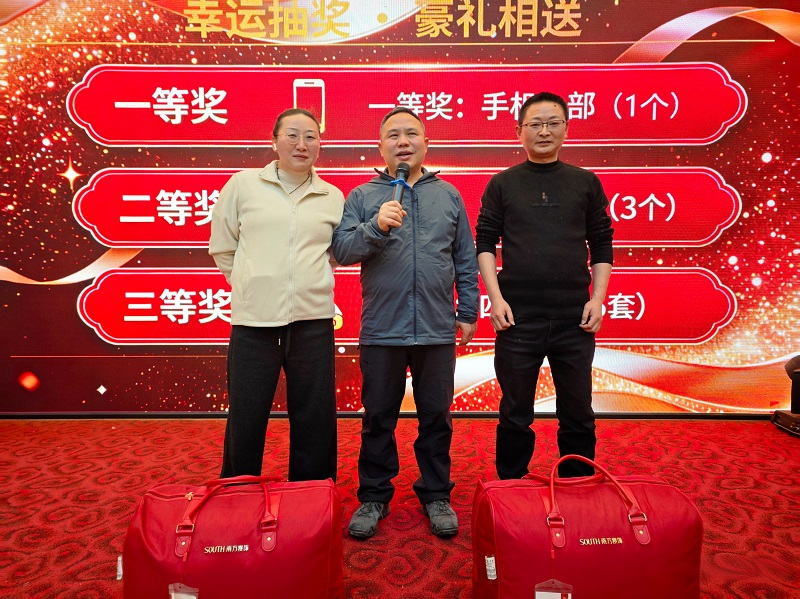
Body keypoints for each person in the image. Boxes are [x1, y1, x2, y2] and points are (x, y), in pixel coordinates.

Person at [332, 107, 479, 539]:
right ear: (380, 147)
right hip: (383, 329)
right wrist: (376, 227)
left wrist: (468, 311)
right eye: (393, 135)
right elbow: (342, 250)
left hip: (436, 328)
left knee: (436, 417)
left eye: (411, 134)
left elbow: (465, 259)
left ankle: (436, 494)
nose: (403, 141)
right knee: (379, 417)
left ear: (425, 144)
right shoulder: (362, 196)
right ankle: (374, 496)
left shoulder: (448, 195)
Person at [475, 91, 614, 480]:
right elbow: (484, 243)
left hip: (574, 319)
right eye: (535, 124)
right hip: (518, 319)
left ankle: (578, 484)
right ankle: (511, 488)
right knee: (515, 412)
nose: (544, 131)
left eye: (553, 123)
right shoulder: (503, 184)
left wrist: (597, 300)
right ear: (519, 131)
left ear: (566, 129)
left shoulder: (585, 182)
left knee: (578, 413)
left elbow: (602, 243)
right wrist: (495, 299)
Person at [209, 108, 344, 481]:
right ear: (274, 141)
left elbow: (335, 253)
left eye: (311, 137)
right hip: (255, 322)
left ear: (320, 144)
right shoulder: (243, 185)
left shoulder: (332, 196)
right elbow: (223, 246)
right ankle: (237, 492)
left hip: (313, 321)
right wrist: (251, 284)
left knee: (315, 416)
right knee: (246, 414)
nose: (302, 144)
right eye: (292, 135)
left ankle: (312, 496)